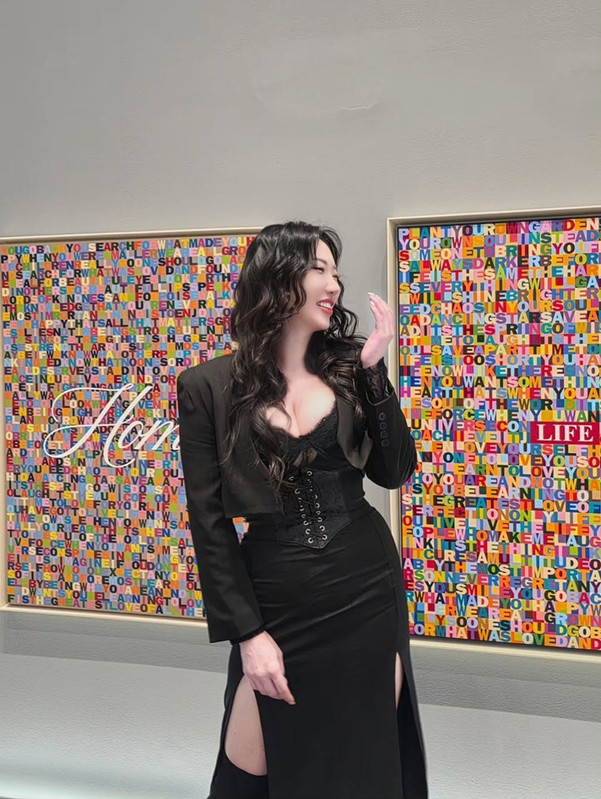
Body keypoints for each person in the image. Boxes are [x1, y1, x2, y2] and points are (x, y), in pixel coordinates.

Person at [176, 220, 429, 799]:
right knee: (248, 774)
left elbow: (393, 471)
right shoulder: (207, 387)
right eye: (319, 269)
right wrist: (248, 634)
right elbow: (209, 524)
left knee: (365, 760)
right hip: (276, 598)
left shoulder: (350, 368)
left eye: (335, 272)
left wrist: (374, 373)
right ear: (278, 277)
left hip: (366, 592)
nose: (334, 284)